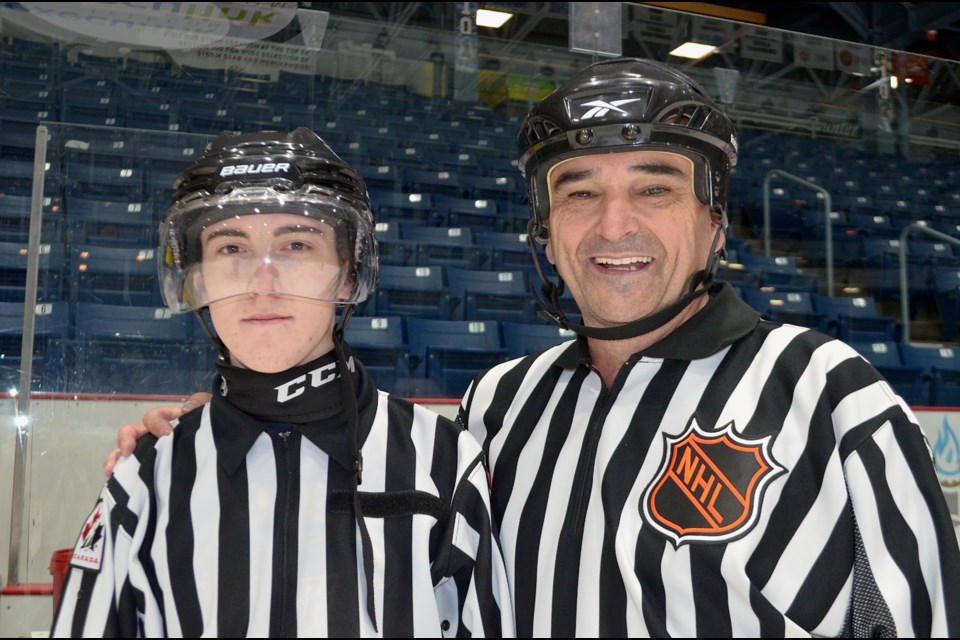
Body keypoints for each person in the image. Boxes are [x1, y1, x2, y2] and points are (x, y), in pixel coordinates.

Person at [107, 59, 960, 637]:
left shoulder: (834, 397)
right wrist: (230, 427)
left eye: (654, 189)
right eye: (578, 192)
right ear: (545, 234)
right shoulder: (500, 407)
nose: (613, 226)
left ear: (713, 224)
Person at [55, 128, 514, 637]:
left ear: (347, 272)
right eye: (231, 247)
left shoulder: (443, 460)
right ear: (199, 279)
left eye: (296, 244)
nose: (262, 282)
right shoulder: (144, 480)